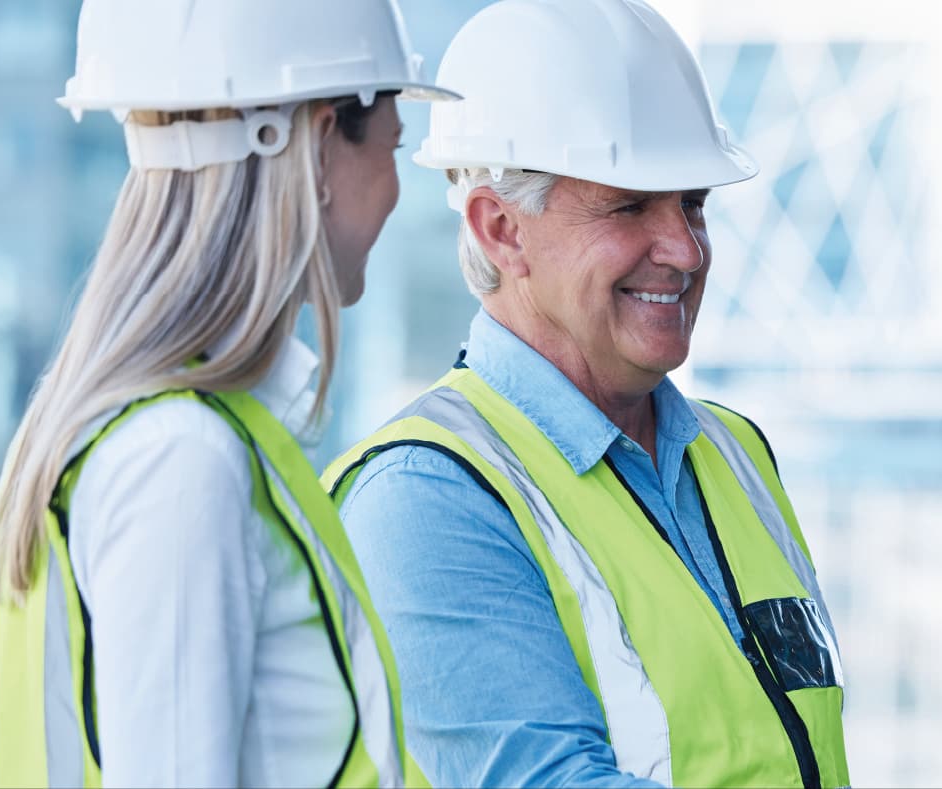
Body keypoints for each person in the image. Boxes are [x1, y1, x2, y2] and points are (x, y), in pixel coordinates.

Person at [321, 1, 849, 787]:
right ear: (501, 228)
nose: (684, 249)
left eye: (694, 203)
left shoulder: (734, 453)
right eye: (631, 205)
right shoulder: (425, 497)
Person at [0, 2, 456, 787]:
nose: (399, 191)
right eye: (393, 148)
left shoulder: (168, 437)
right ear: (325, 142)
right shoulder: (182, 461)